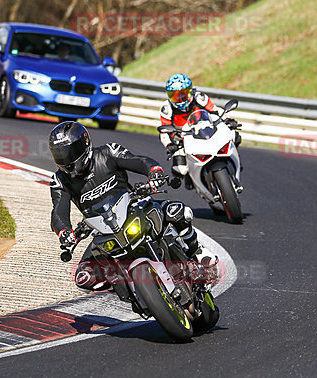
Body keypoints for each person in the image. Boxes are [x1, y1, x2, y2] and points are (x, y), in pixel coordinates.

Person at [48, 121, 218, 292]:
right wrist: (64, 232)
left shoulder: (108, 152)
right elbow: (58, 212)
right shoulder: (59, 181)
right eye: (60, 155)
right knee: (83, 278)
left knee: (177, 211)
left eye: (70, 152)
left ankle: (198, 252)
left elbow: (138, 161)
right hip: (102, 229)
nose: (66, 159)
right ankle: (127, 289)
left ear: (84, 143)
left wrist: (154, 172)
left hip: (132, 208)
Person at [159, 73, 240, 183]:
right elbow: (164, 131)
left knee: (235, 136)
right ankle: (191, 179)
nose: (181, 99)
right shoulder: (166, 108)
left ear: (190, 90)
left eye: (184, 94)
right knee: (180, 169)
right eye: (175, 96)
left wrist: (228, 120)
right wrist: (169, 145)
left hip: (206, 129)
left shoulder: (200, 98)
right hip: (182, 137)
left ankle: (234, 157)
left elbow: (215, 111)